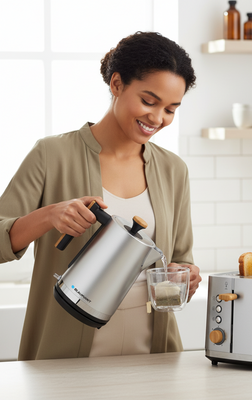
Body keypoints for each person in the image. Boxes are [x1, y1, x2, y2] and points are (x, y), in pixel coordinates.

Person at [0, 31, 201, 360]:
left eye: (171, 109)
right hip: (66, 354)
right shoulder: (52, 154)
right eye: (149, 101)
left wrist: (186, 274)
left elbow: (182, 257)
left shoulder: (173, 169)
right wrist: (49, 216)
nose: (157, 118)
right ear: (117, 84)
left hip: (153, 355)